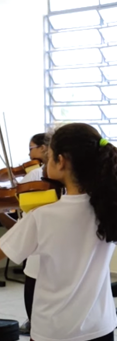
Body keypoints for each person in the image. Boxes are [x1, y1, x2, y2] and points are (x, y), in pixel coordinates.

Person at [0, 122, 117, 341]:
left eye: (49, 155)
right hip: (101, 326)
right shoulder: (113, 209)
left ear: (61, 161)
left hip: (55, 331)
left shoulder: (43, 216)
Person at [0, 133, 48, 335]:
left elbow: (26, 228)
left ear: (45, 148)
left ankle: (34, 325)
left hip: (38, 262)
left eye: (31, 148)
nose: (29, 154)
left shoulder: (35, 176)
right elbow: (21, 228)